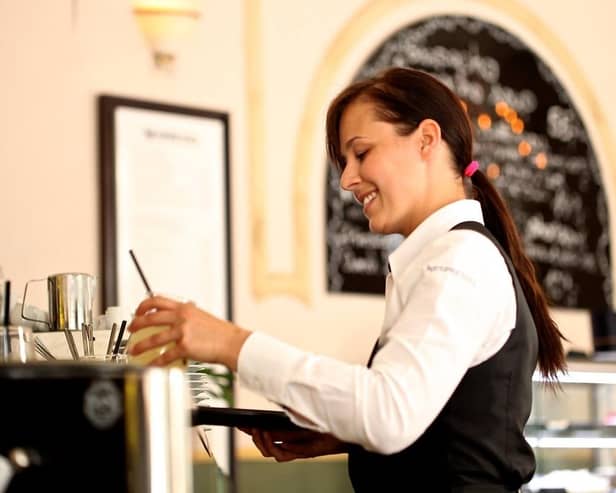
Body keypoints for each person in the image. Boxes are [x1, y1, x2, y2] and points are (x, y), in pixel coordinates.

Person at [127, 67, 566, 492]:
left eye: (360, 153)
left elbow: (388, 412)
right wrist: (350, 439)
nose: (346, 179)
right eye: (344, 161)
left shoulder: (460, 259)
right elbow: (436, 421)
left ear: (426, 140)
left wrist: (229, 343)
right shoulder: (447, 257)